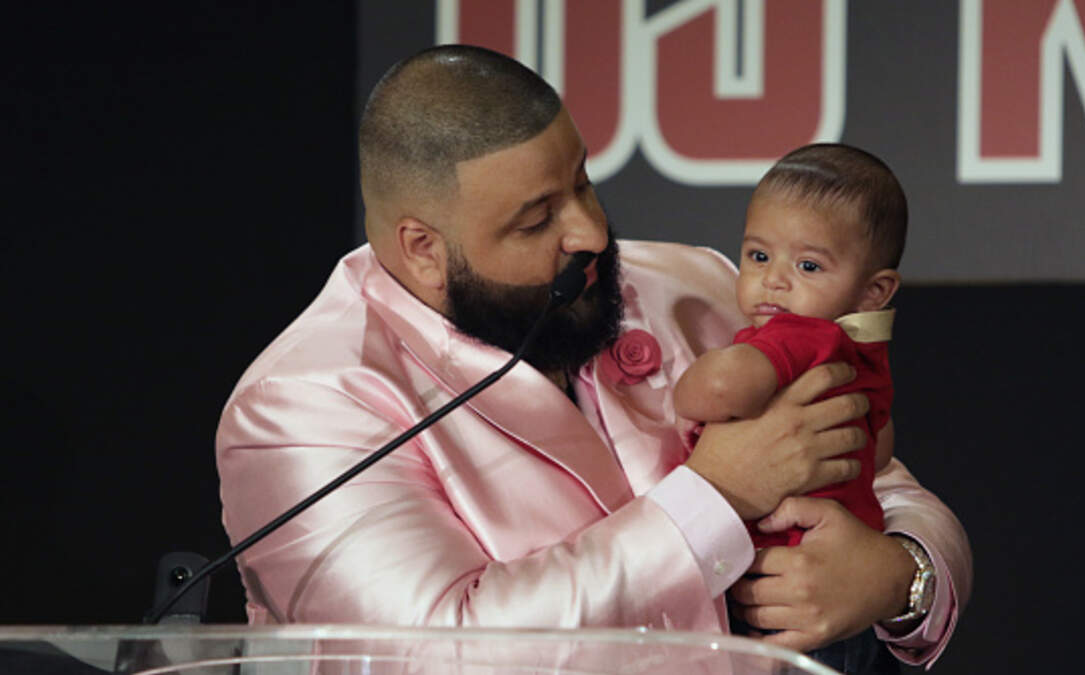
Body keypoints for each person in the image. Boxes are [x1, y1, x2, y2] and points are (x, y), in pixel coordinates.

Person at [215, 45, 971, 670]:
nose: (592, 233)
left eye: (582, 182)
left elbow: (886, 483)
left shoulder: (693, 285)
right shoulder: (300, 404)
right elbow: (434, 653)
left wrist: (900, 576)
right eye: (537, 219)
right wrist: (714, 495)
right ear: (424, 250)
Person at [674, 144, 909, 671]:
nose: (775, 279)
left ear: (873, 291)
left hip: (787, 593)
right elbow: (879, 451)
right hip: (841, 598)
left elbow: (714, 390)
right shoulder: (866, 358)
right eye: (759, 256)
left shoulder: (802, 336)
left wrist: (683, 384)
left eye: (808, 265)